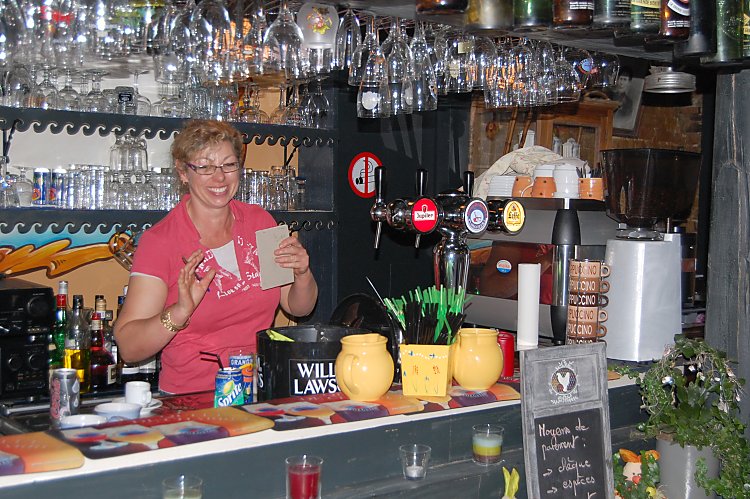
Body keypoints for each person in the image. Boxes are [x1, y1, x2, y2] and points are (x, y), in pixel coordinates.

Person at [114, 120, 318, 394]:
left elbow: (298, 308)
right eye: (205, 167)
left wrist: (303, 274)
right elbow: (129, 347)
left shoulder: (260, 222)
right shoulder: (161, 242)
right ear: (183, 172)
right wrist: (179, 312)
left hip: (258, 388)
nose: (220, 178)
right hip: (194, 399)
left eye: (228, 165)